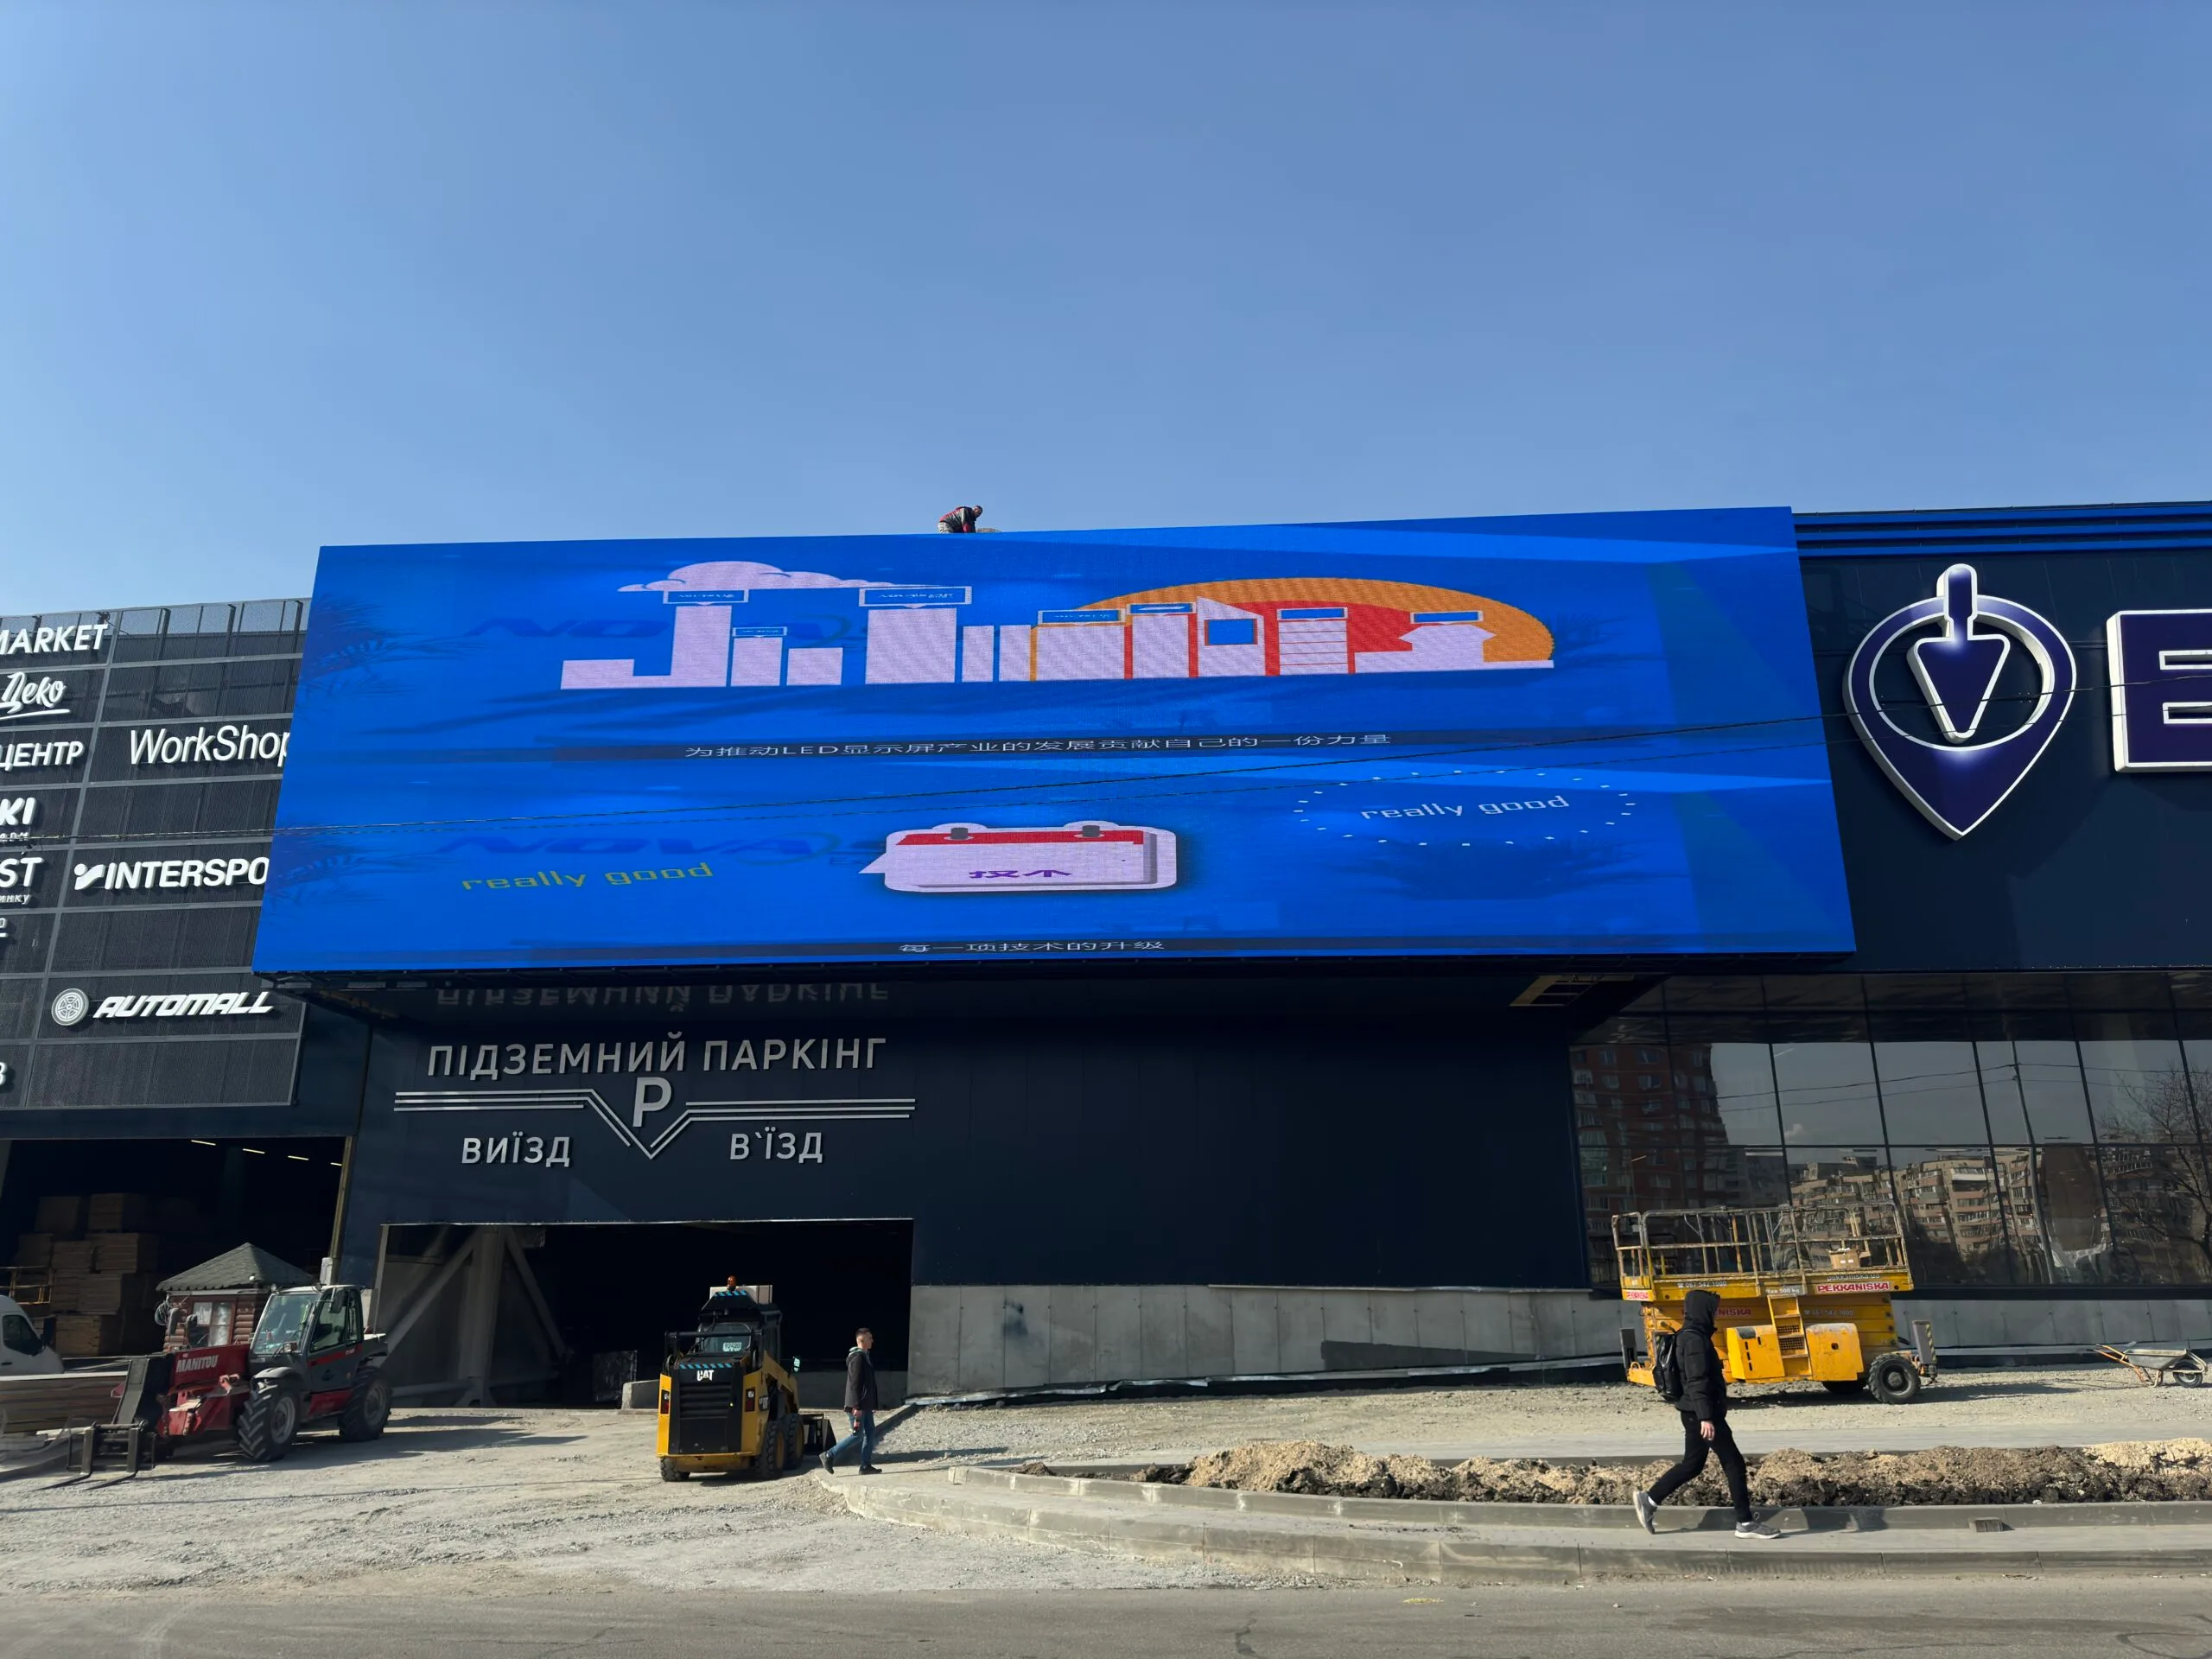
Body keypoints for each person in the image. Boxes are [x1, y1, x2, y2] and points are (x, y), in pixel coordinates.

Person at [1633, 1289, 1779, 1540]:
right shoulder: (1694, 1340)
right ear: (1704, 1311)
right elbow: (1696, 1380)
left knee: (1692, 1465)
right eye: (1714, 1309)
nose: (1716, 1314)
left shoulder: (1692, 1335)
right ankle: (1745, 1523)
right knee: (1733, 1463)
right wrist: (1706, 1418)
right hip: (1702, 1413)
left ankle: (1650, 1499)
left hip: (1694, 1412)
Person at [821, 1325, 881, 1474]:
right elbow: (855, 1384)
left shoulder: (865, 1357)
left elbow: (869, 1384)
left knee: (870, 1432)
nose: (872, 1340)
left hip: (865, 1405)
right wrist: (857, 1406)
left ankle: (865, 1466)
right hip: (858, 1406)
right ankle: (829, 1455)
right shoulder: (858, 1358)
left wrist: (872, 1404)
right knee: (857, 1435)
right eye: (869, 1338)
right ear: (861, 1340)